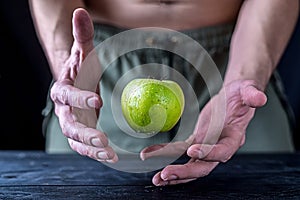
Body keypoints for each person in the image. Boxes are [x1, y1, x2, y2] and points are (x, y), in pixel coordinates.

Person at [29, 0, 299, 186]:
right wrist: (69, 64)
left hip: (235, 61)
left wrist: (246, 75)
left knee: (268, 185)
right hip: (100, 65)